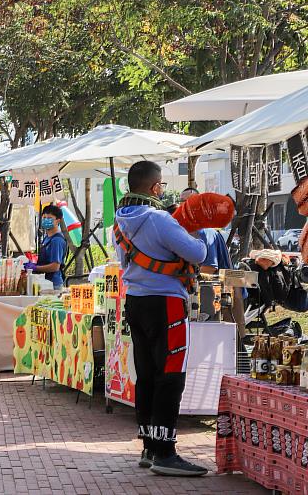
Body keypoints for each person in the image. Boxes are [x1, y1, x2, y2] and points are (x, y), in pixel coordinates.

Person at [113, 161, 207, 476]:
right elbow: (197, 254)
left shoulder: (119, 220)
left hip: (136, 302)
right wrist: (196, 228)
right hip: (166, 303)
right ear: (155, 187)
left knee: (147, 375)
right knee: (171, 376)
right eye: (162, 185)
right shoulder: (159, 219)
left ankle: (150, 446)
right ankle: (165, 453)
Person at [32, 205, 68, 290]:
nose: (45, 220)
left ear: (57, 221)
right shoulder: (46, 237)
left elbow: (55, 266)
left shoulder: (57, 241)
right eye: (44, 217)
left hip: (53, 284)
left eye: (49, 218)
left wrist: (35, 267)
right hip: (45, 282)